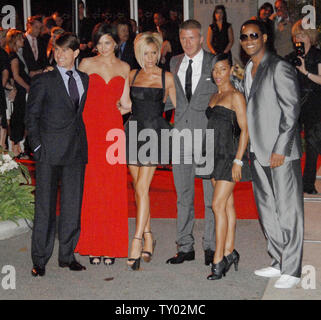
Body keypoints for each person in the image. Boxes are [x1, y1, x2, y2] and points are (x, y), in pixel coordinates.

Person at [240, 20, 304, 289]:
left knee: (288, 211)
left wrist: (281, 149)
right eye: (244, 37)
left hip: (281, 153)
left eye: (254, 35)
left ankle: (293, 268)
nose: (249, 40)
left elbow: (291, 111)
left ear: (264, 37)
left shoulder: (278, 67)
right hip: (258, 150)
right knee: (267, 210)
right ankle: (278, 259)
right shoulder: (248, 68)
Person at [25, 32, 89, 277]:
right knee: (45, 208)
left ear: (75, 53)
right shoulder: (45, 80)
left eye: (65, 51)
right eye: (56, 50)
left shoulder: (85, 78)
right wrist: (37, 146)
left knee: (72, 206)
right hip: (49, 152)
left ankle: (67, 256)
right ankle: (40, 259)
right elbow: (31, 116)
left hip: (75, 150)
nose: (59, 55)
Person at [75, 23, 131, 266]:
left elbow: (126, 103)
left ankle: (111, 246)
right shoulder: (86, 64)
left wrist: (125, 108)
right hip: (90, 130)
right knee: (93, 188)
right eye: (99, 43)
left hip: (113, 132)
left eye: (107, 42)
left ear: (115, 43)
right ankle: (93, 244)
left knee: (113, 189)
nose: (103, 47)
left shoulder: (125, 67)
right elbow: (75, 97)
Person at [165, 19, 217, 266]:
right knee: (183, 194)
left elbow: (229, 93)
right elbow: (167, 98)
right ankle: (185, 246)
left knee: (210, 197)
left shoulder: (215, 62)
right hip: (181, 139)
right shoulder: (174, 62)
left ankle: (211, 246)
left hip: (207, 138)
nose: (187, 43)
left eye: (192, 38)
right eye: (183, 38)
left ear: (201, 38)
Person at [125, 32, 176, 270]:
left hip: (155, 133)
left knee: (142, 188)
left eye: (154, 52)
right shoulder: (131, 74)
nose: (150, 58)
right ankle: (148, 236)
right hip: (133, 132)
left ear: (159, 53)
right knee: (138, 189)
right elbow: (125, 105)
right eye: (145, 53)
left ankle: (136, 240)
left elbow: (180, 107)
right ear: (139, 54)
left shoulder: (167, 77)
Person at [199, 53, 250, 280]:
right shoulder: (213, 96)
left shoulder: (236, 96)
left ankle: (218, 258)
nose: (218, 74)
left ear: (230, 70)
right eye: (215, 70)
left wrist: (239, 160)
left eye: (222, 69)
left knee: (217, 205)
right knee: (227, 204)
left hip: (230, 156)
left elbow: (245, 130)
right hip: (212, 155)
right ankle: (230, 250)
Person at [285, 20, 321, 194]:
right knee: (291, 144)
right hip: (296, 104)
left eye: (303, 34)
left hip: (315, 103)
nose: (299, 38)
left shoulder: (318, 54)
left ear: (310, 36)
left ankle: (308, 184)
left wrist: (305, 71)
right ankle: (292, 183)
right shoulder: (291, 57)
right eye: (297, 35)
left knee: (312, 145)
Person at [5, 29, 31, 158]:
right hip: (21, 91)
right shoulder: (14, 56)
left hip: (22, 90)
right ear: (15, 40)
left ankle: (17, 148)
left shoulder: (17, 54)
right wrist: (27, 87)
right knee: (19, 118)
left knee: (20, 118)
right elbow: (16, 76)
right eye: (21, 38)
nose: (23, 40)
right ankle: (16, 147)